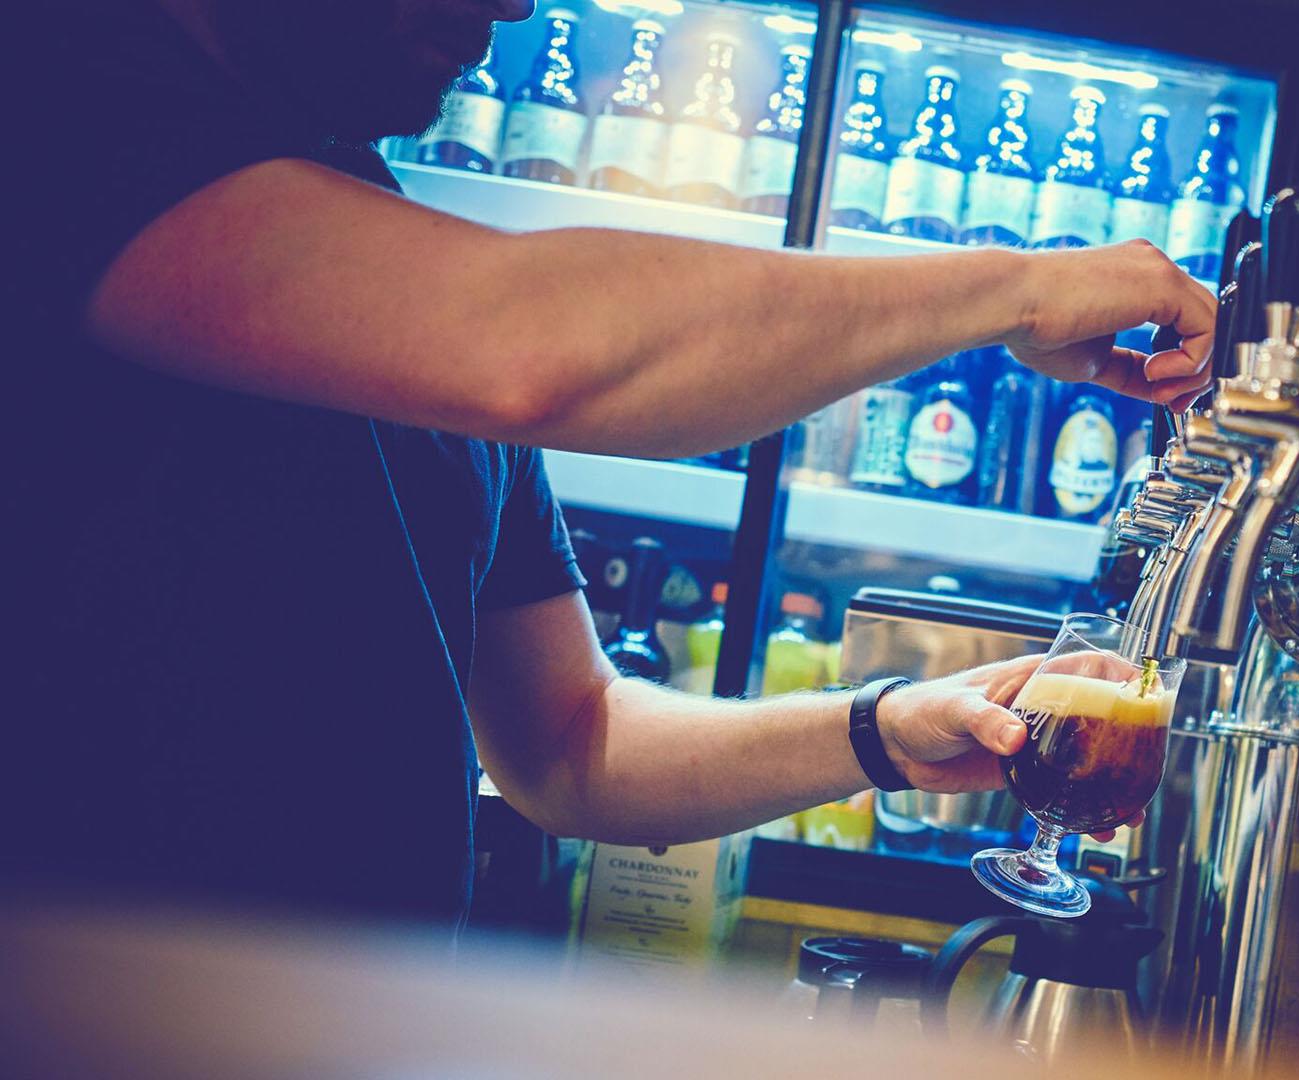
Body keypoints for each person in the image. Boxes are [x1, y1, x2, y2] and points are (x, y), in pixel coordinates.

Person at [3, 0, 1216, 931]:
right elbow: (531, 350)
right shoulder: (59, 104)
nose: (522, 8)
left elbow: (572, 747)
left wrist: (888, 730)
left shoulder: (373, 232)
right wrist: (1021, 284)